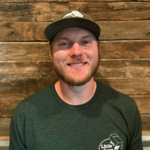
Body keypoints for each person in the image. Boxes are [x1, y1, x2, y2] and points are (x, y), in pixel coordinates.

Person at [9, 10, 143, 150]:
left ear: (99, 50)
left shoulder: (126, 109)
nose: (76, 52)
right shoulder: (25, 114)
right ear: (51, 54)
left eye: (85, 42)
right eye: (64, 43)